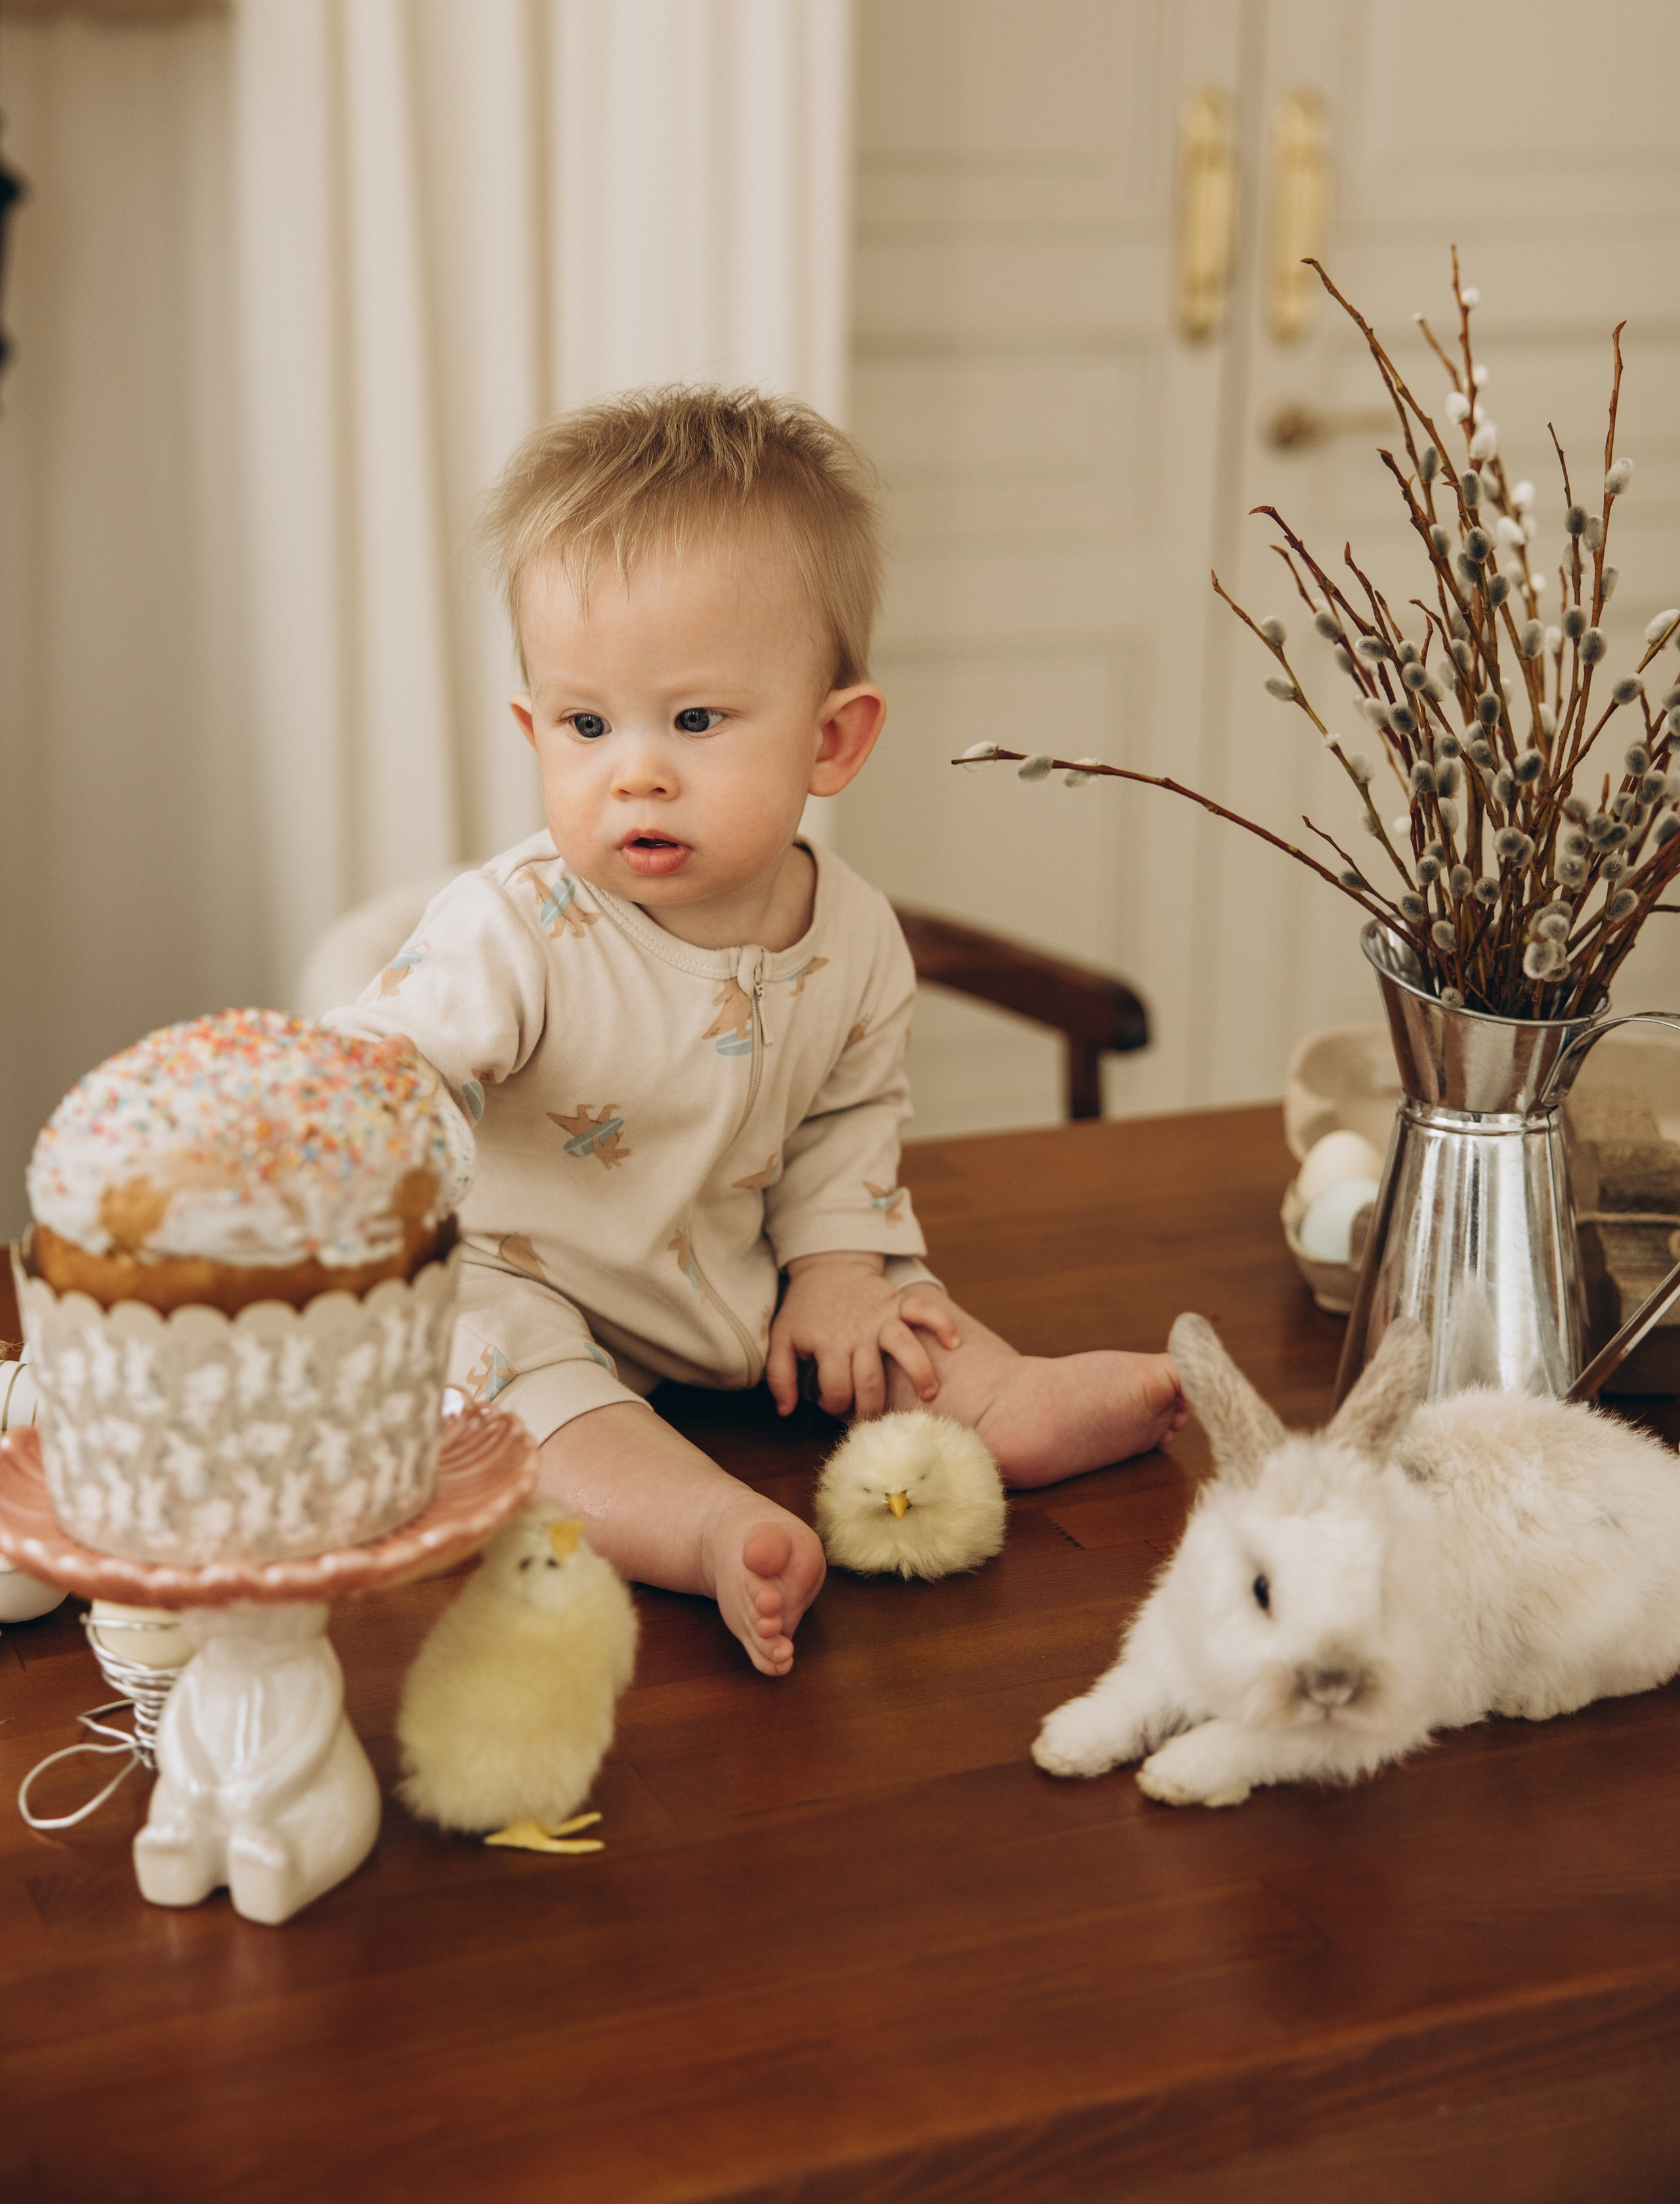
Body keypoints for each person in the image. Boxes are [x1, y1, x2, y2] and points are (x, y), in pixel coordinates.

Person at [330, 387, 1183, 1674]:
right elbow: (389, 1066)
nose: (636, 772)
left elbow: (849, 1124)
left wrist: (839, 1265)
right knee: (499, 1376)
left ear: (829, 739)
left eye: (692, 721)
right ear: (534, 732)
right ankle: (701, 1524)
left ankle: (997, 1401)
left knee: (892, 1306)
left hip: (736, 1277)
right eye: (584, 725)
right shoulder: (507, 931)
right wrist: (361, 1124)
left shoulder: (854, 934)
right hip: (522, 1276)